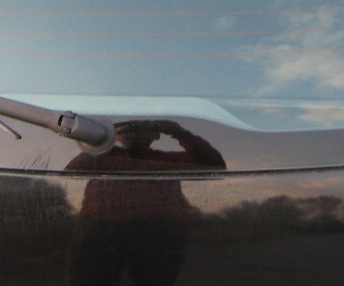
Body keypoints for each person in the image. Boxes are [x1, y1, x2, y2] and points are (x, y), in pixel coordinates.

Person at [65, 120, 226, 286]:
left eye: (142, 126)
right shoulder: (99, 157)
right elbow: (71, 173)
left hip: (159, 235)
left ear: (156, 135)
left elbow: (214, 165)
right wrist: (103, 138)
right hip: (98, 232)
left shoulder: (168, 160)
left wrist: (180, 133)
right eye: (128, 127)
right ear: (116, 135)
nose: (134, 131)